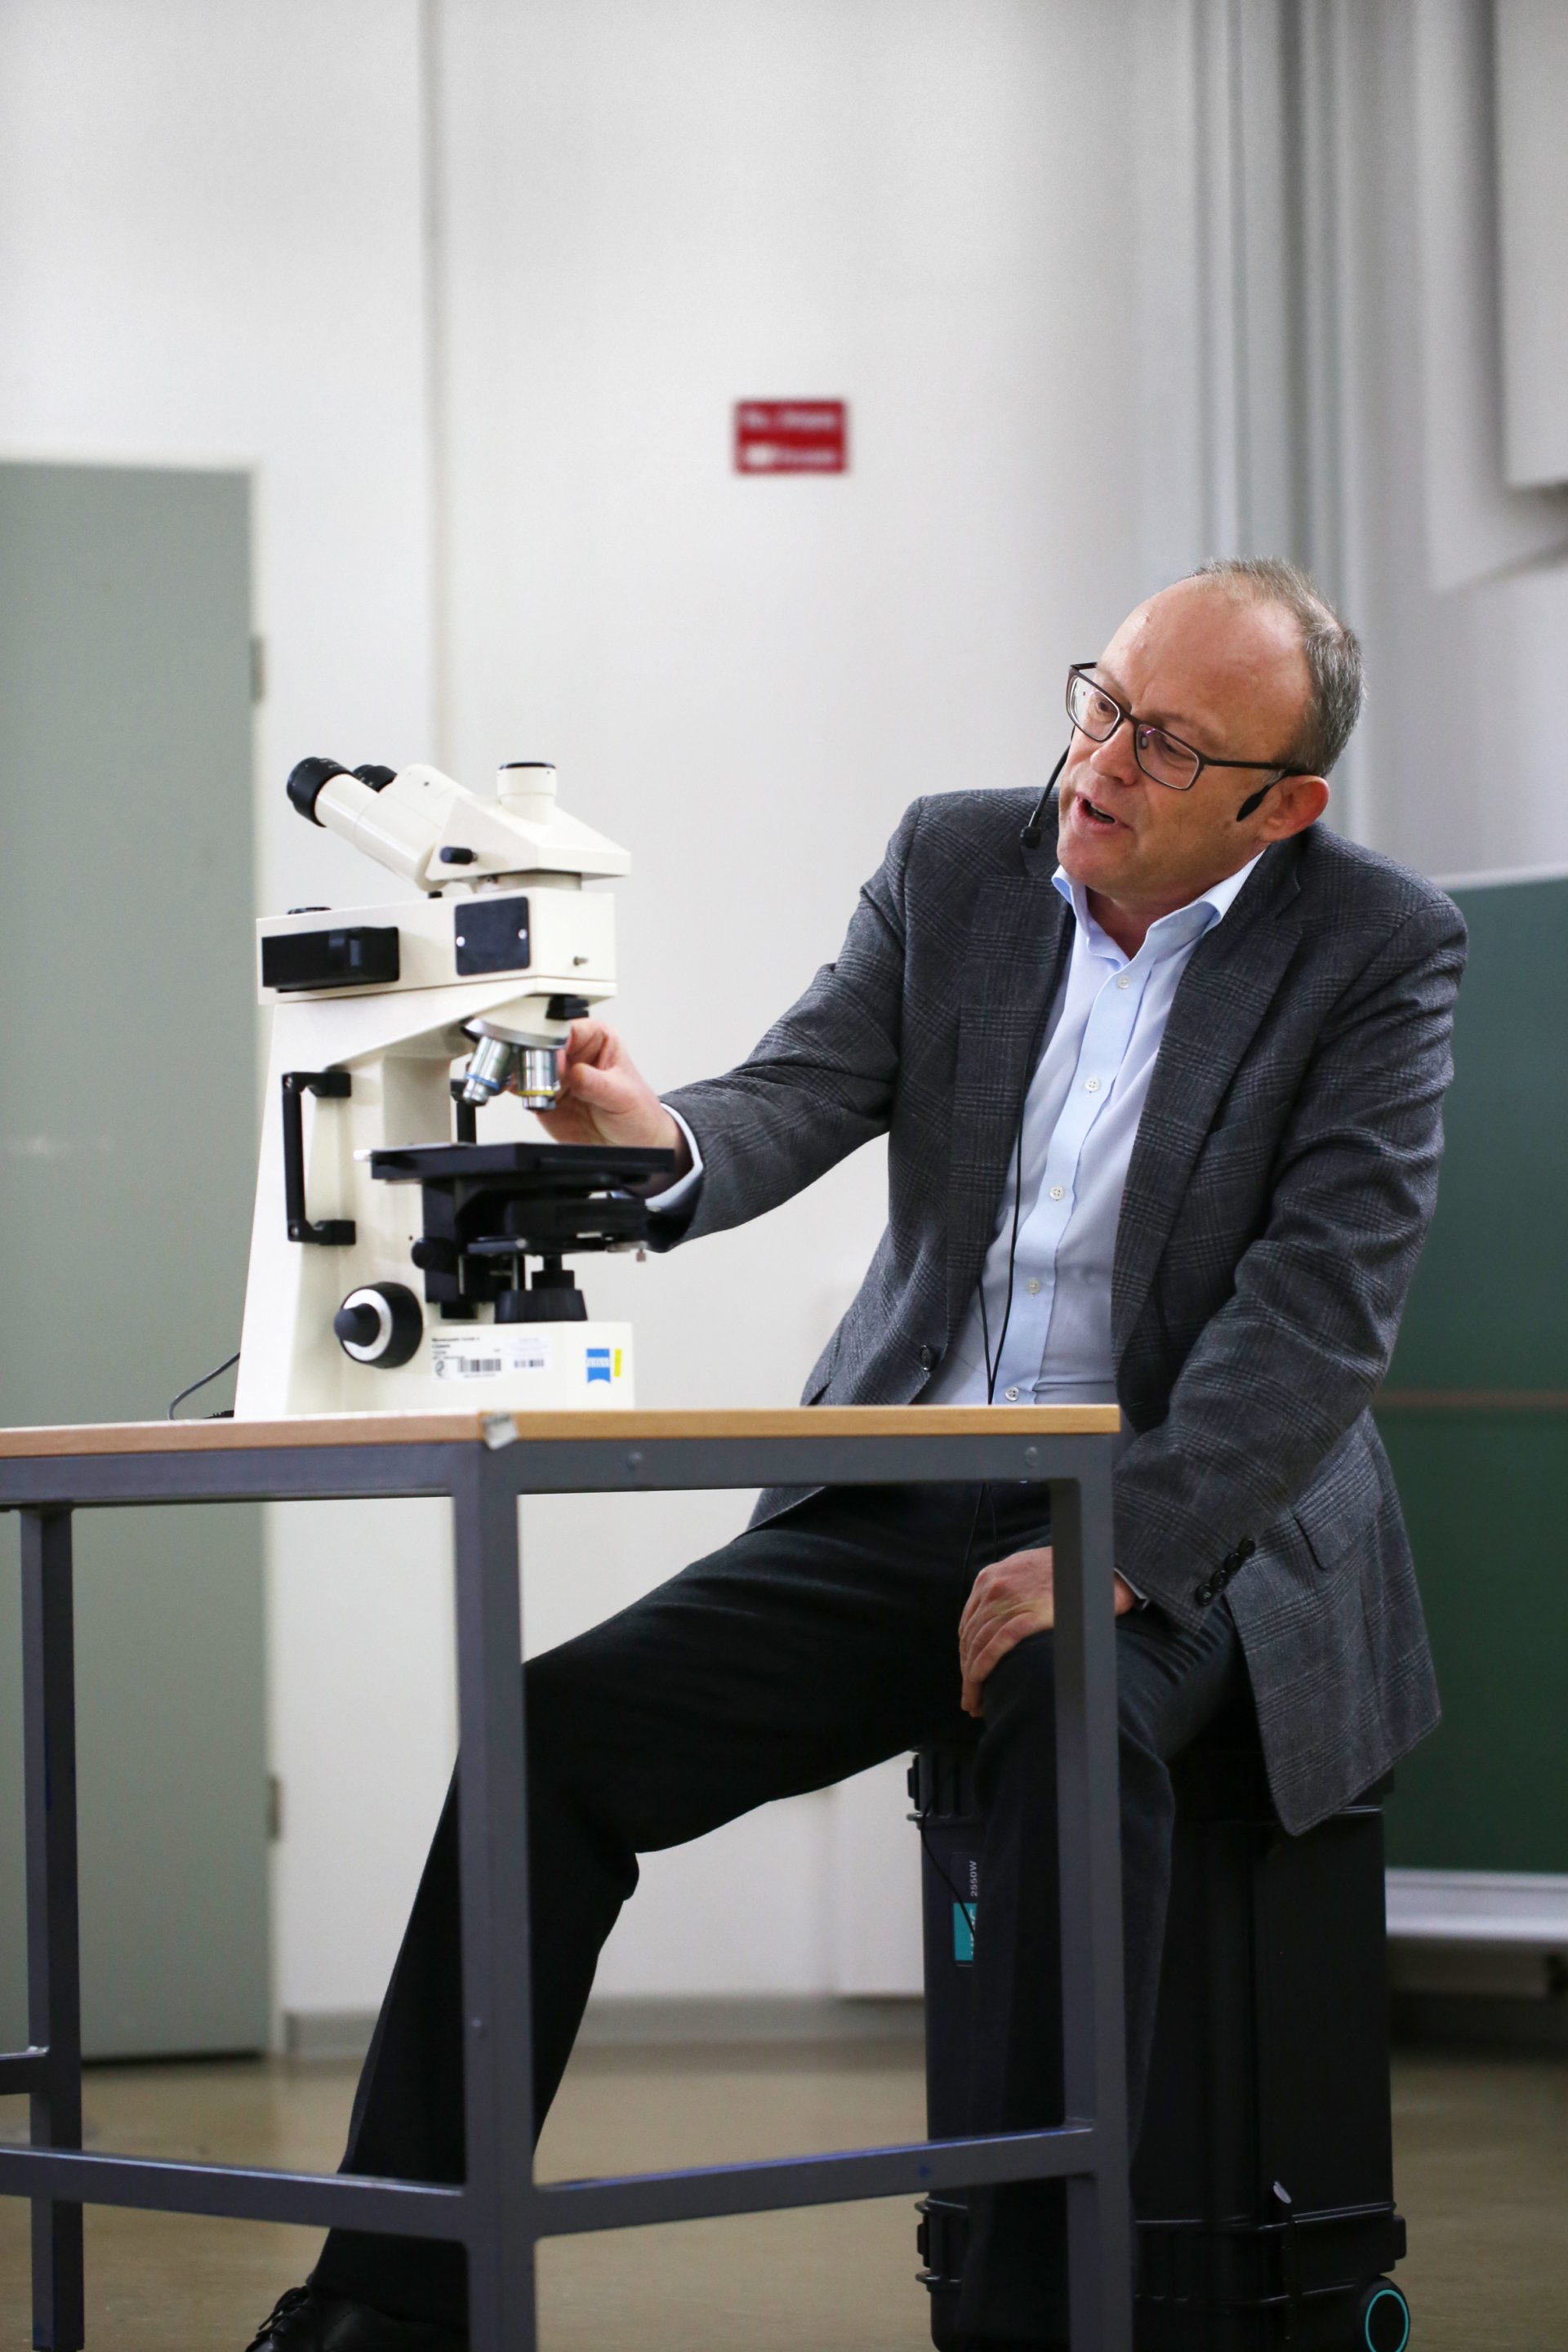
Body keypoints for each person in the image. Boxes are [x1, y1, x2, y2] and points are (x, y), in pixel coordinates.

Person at [247, 558, 1466, 2352]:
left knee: (1067, 1703)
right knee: (546, 1739)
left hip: (1199, 1518)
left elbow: (1318, 1314)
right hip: (911, 1492)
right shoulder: (956, 859)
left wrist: (1114, 1545)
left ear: (1283, 806)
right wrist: (654, 1139)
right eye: (1098, 700)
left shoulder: (1377, 945)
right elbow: (801, 1088)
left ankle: (1040, 2322)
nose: (1098, 763)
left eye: (1167, 742)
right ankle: (382, 2306)